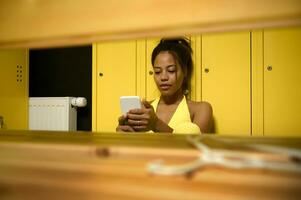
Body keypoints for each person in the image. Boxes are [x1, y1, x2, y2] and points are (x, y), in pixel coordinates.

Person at [116, 37, 212, 134]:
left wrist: (156, 124)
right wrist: (124, 138)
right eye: (157, 72)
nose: (163, 77)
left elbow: (195, 146)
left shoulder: (200, 109)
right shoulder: (144, 111)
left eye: (171, 70)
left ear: (185, 71)